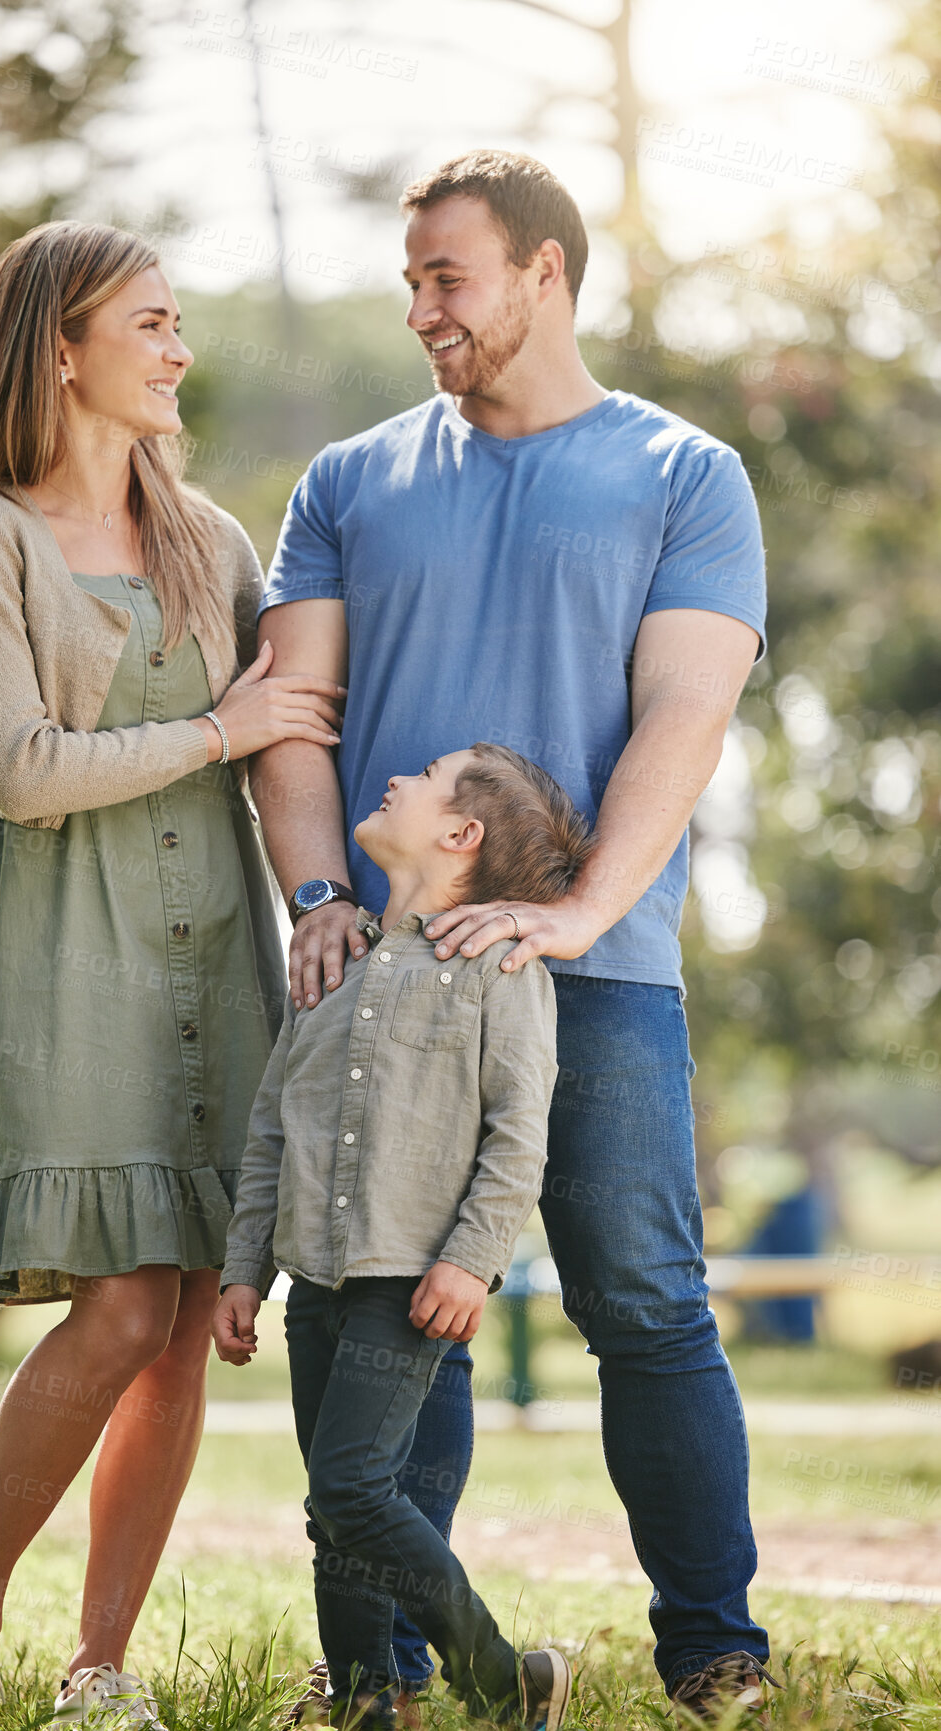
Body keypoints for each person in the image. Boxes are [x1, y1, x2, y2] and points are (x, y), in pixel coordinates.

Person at [248, 150, 777, 1718]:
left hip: (593, 973)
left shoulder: (684, 473)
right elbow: (295, 716)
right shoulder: (346, 480)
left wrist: (576, 910)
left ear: (542, 273)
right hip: (385, 987)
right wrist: (321, 897)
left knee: (644, 1303)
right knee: (388, 1306)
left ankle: (714, 1651)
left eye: (445, 276)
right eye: (409, 277)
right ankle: (386, 1679)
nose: (418, 307)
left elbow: (685, 705)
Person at [0, 221, 344, 1731]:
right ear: (59, 345)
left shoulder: (217, 540)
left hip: (223, 946)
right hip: (77, 952)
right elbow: (22, 773)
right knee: (122, 1301)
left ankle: (101, 1669)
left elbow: (292, 749)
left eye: (177, 319)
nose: (177, 346)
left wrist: (320, 902)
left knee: (193, 1294)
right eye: (149, 320)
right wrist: (218, 728)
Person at [213, 744, 595, 1731]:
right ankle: (367, 1703)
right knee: (333, 1510)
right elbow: (269, 1132)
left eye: (424, 776)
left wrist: (475, 1260)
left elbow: (520, 1134)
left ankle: (504, 1677)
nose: (395, 778)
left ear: (460, 834)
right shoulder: (333, 963)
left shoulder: (500, 969)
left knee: (351, 1483)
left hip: (411, 1281)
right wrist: (244, 1269)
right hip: (316, 1285)